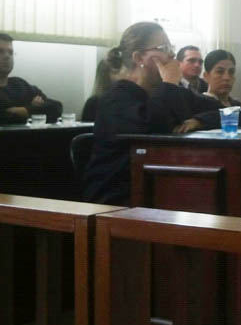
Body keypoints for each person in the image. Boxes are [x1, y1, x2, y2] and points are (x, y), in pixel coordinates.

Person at [83, 21, 205, 205]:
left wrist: (199, 121)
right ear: (139, 57)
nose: (172, 54)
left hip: (160, 190)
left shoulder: (169, 93)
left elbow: (234, 111)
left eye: (171, 47)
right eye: (164, 48)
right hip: (118, 200)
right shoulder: (115, 99)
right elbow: (152, 125)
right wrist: (169, 82)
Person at [0, 33, 62, 125]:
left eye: (10, 52)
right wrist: (34, 109)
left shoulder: (19, 84)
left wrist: (25, 110)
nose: (7, 56)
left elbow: (56, 107)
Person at [196, 49, 241, 128]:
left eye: (231, 72)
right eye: (219, 72)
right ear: (206, 76)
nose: (227, 77)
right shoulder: (198, 104)